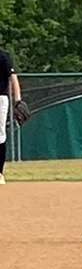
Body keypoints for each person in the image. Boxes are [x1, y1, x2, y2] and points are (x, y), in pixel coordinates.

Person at [0, 49, 22, 184]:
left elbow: (13, 77)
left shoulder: (3, 56)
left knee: (0, 135)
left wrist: (18, 100)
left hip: (0, 98)